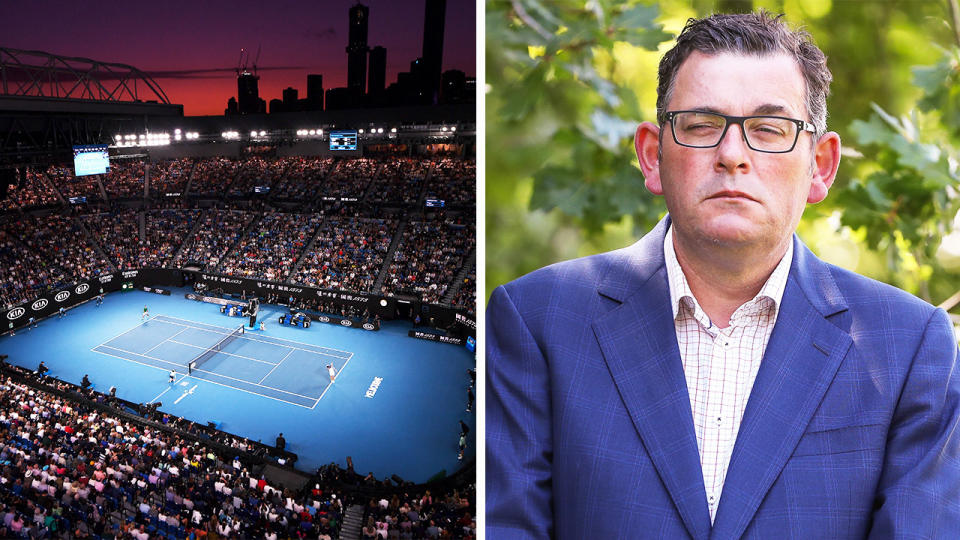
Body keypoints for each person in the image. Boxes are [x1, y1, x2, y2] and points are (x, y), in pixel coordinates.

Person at [486, 12, 960, 538]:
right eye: (701, 125)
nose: (733, 155)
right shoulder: (538, 319)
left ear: (821, 167)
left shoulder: (909, 346)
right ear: (651, 155)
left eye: (769, 129)